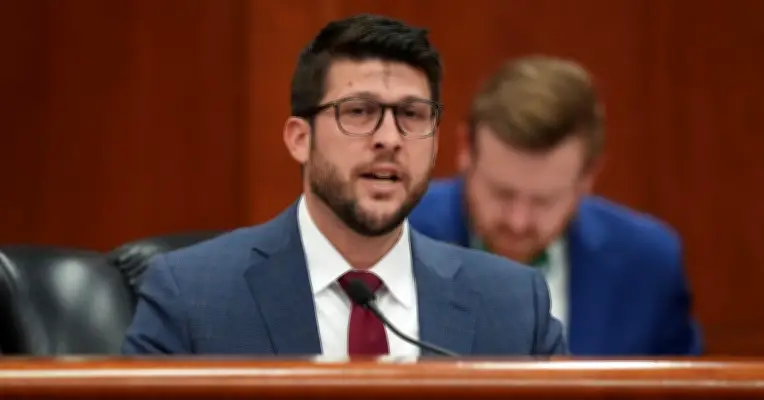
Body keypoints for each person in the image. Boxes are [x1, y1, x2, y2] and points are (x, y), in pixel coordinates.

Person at [122, 15, 565, 357]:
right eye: (359, 112)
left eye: (411, 115)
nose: (389, 138)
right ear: (300, 139)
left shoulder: (511, 304)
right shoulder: (192, 296)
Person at [409, 56, 703, 356]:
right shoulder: (396, 237)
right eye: (501, 193)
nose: (518, 221)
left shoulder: (647, 264)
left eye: (544, 201)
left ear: (588, 177)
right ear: (465, 150)